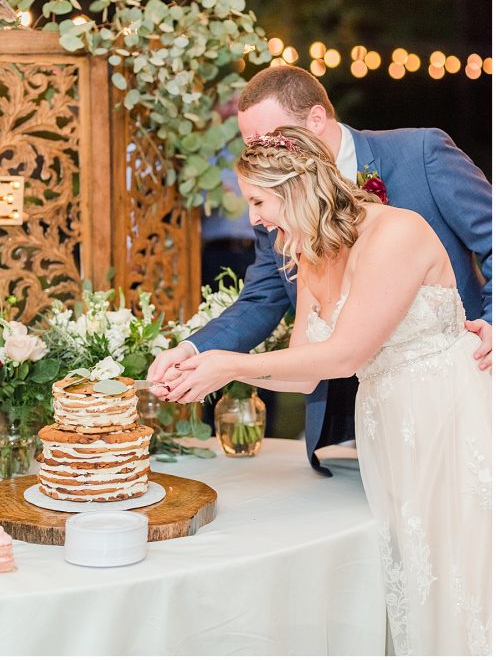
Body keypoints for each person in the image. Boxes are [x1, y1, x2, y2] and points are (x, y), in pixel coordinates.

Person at [162, 126, 491, 655]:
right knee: (414, 570)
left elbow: (346, 354)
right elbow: (305, 374)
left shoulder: (397, 233)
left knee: (459, 572)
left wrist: (228, 364)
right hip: (387, 425)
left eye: (258, 201)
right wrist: (210, 364)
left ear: (296, 187)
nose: (254, 218)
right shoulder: (311, 254)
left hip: (446, 416)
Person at [147, 65, 492, 475]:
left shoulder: (420, 156)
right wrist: (198, 356)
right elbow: (263, 301)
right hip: (369, 418)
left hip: (457, 396)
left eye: (270, 140)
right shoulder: (291, 232)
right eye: (251, 144)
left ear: (313, 120)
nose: (262, 155)